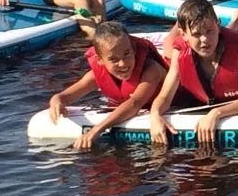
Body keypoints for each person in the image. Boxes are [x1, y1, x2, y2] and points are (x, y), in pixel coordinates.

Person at [142, 0, 238, 147]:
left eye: (210, 31)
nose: (204, 39)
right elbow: (164, 96)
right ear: (183, 35)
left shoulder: (235, 46)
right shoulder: (180, 52)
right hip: (236, 79)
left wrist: (216, 113)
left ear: (218, 26)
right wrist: (155, 115)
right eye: (196, 34)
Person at [46, 20, 167, 150]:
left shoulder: (152, 69)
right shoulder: (95, 75)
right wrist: (57, 101)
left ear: (134, 49)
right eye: (113, 59)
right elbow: (64, 96)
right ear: (100, 60)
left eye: (127, 54)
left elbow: (135, 103)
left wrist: (95, 130)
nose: (123, 63)